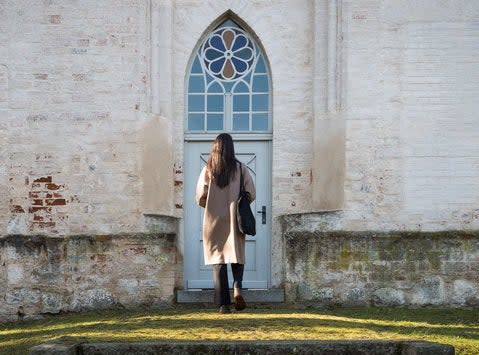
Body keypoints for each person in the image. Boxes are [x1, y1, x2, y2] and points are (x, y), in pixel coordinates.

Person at [195, 133, 256, 314]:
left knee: (218, 259)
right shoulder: (241, 168)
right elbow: (251, 193)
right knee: (236, 255)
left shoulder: (208, 169)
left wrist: (212, 204)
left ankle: (223, 305)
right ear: (231, 148)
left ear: (215, 147)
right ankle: (237, 287)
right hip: (235, 220)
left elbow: (200, 196)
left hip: (213, 220)